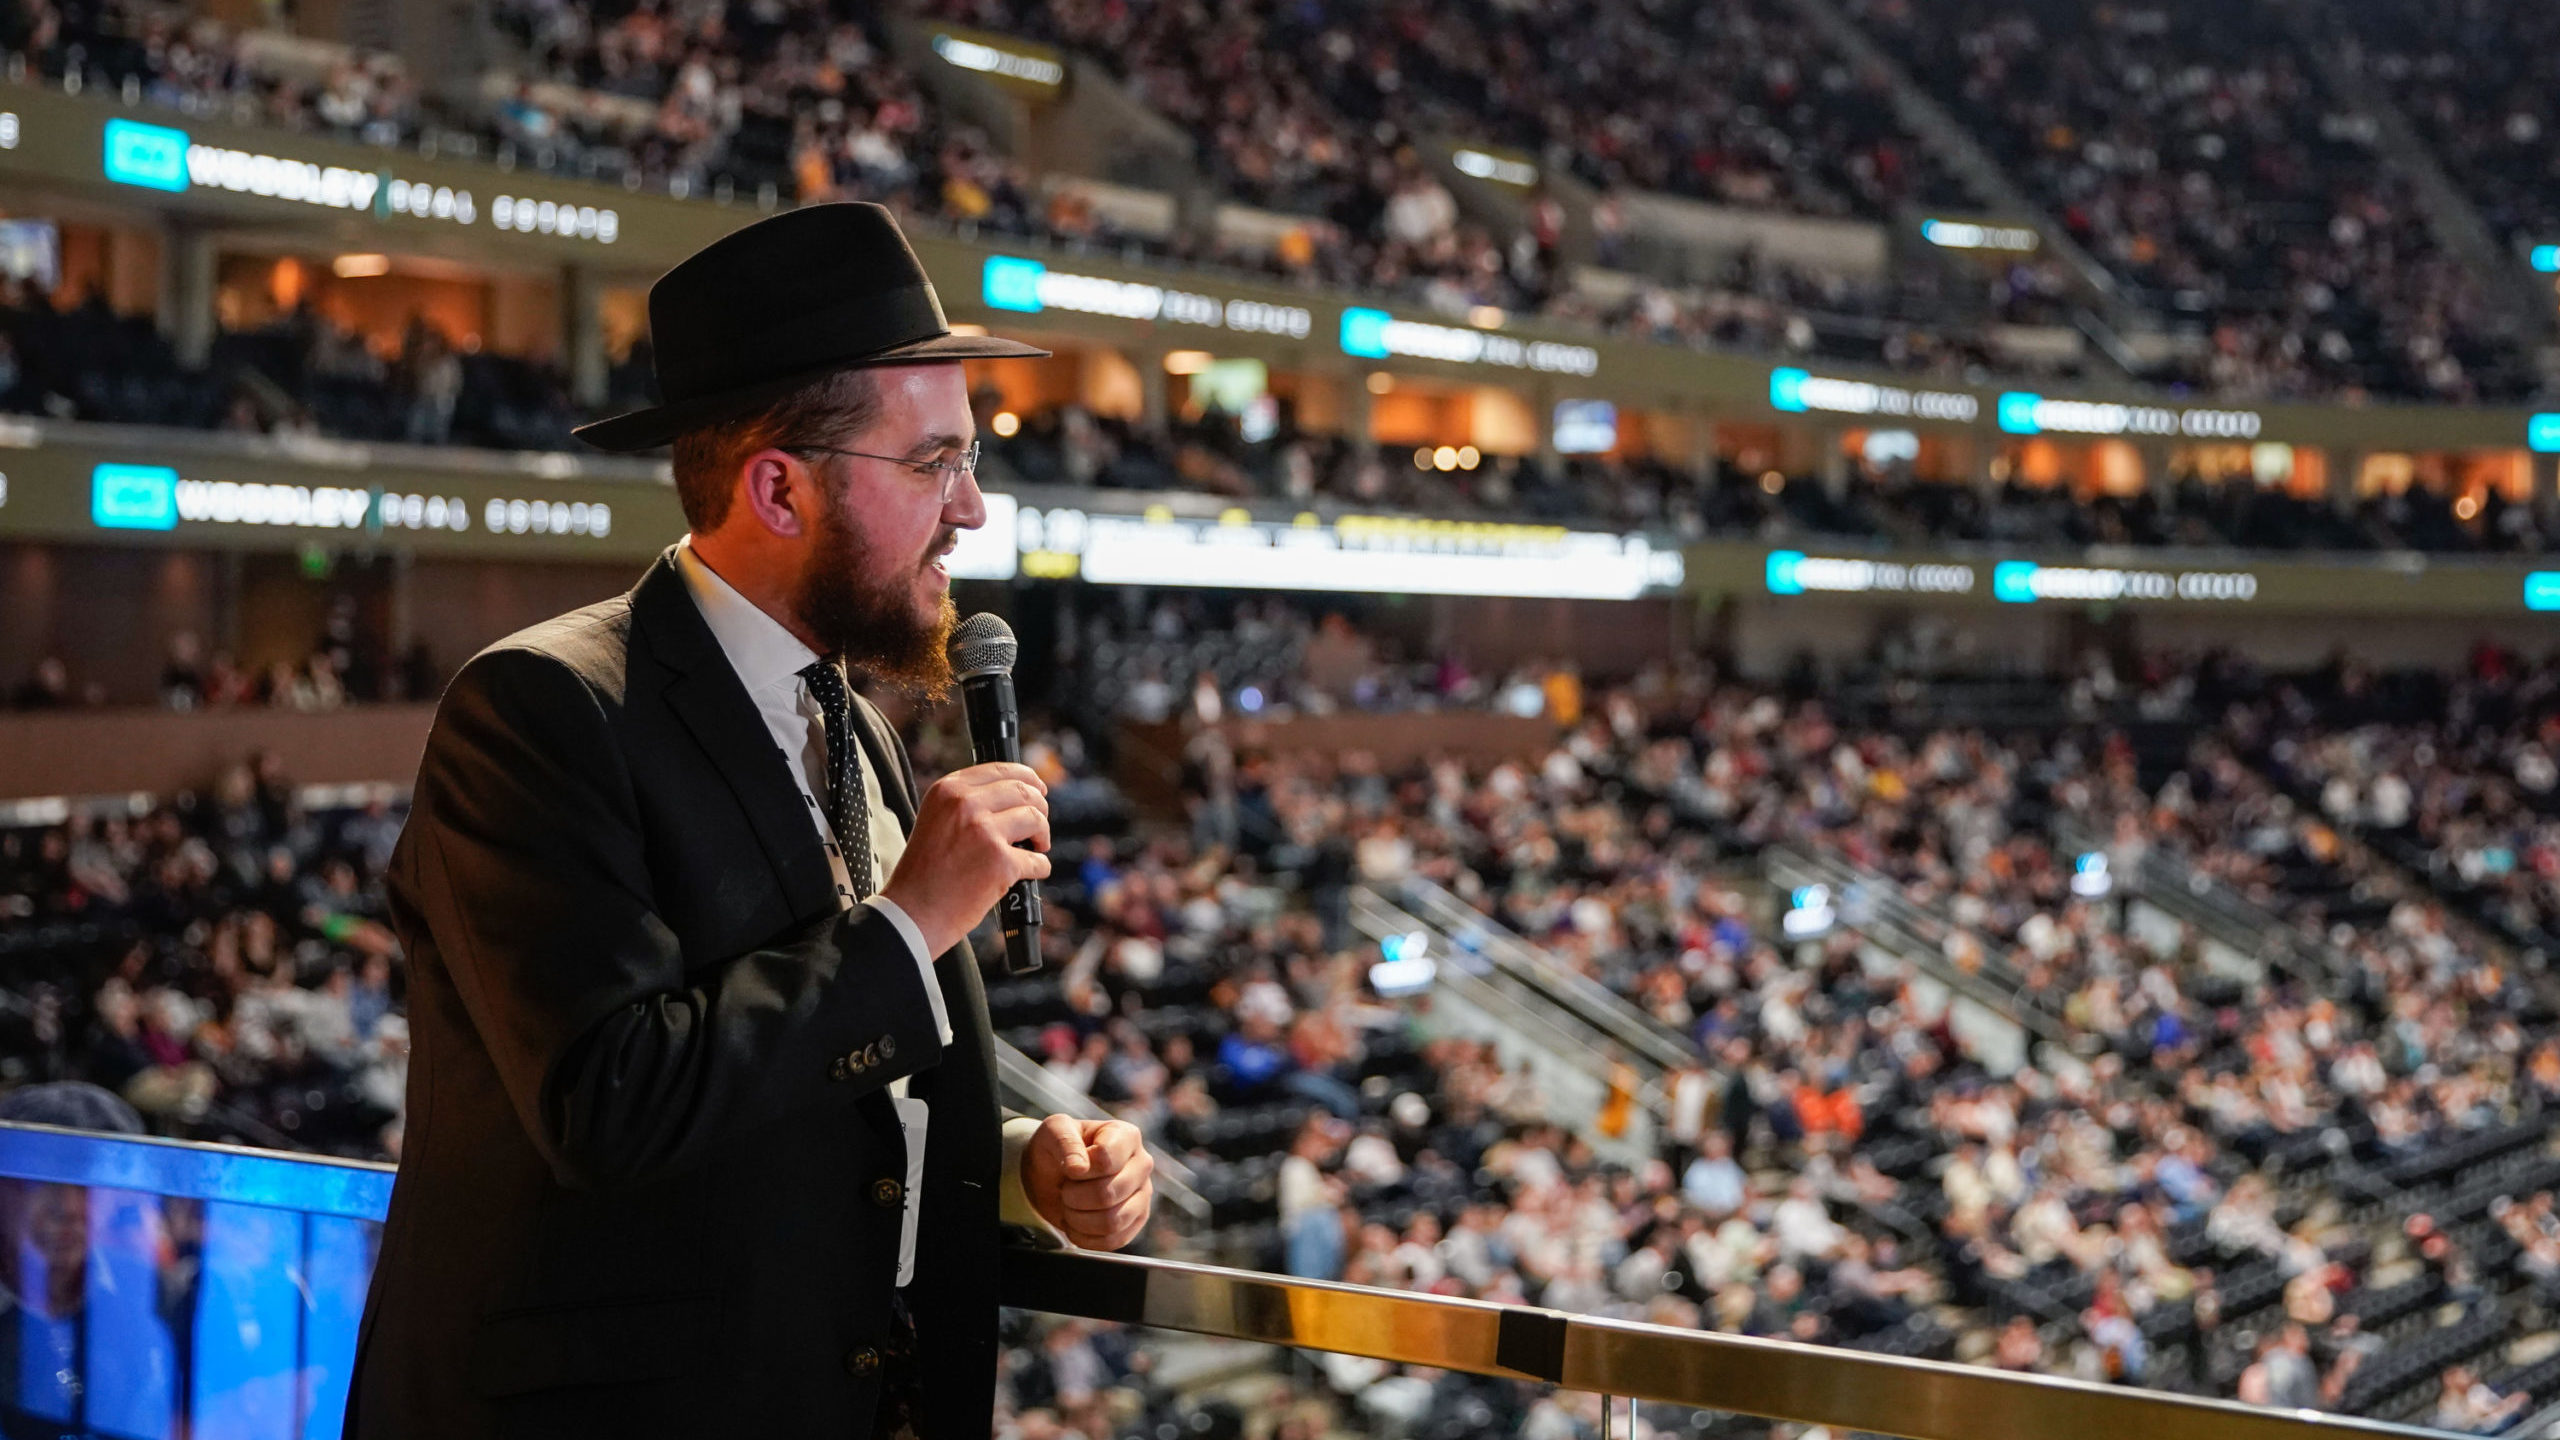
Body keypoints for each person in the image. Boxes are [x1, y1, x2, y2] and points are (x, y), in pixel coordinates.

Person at [345, 203, 1153, 1440]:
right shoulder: (541, 709)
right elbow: (613, 1104)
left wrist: (1013, 1161)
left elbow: (801, 1096)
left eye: (971, 458)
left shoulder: (846, 711)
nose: (973, 508)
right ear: (778, 487)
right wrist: (912, 918)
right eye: (933, 461)